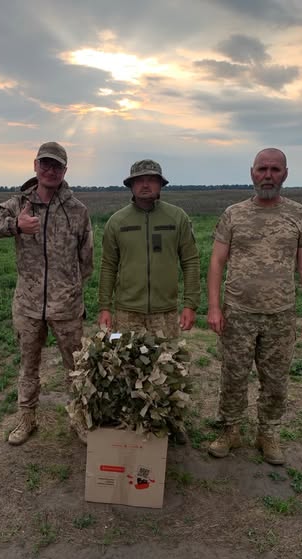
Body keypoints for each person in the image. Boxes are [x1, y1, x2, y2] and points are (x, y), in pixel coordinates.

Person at [0, 142, 94, 445]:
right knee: (28, 366)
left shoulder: (77, 210)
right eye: (45, 164)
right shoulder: (18, 204)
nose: (50, 170)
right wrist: (15, 225)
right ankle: (26, 419)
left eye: (57, 166)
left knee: (76, 368)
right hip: (28, 306)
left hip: (66, 307)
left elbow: (87, 259)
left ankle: (80, 419)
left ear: (65, 170)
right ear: (35, 166)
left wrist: (69, 288)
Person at [207, 148, 302, 465]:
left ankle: (267, 433)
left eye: (274, 169)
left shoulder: (298, 215)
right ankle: (230, 430)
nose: (267, 175)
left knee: (275, 381)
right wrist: (214, 307)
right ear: (252, 173)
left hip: (280, 314)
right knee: (233, 376)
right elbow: (216, 262)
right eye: (262, 169)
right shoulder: (234, 214)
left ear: (285, 174)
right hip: (238, 312)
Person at [98, 159, 201, 441]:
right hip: (126, 312)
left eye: (151, 179)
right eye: (139, 180)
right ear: (131, 185)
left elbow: (190, 261)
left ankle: (172, 421)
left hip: (165, 313)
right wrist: (105, 307)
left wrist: (190, 303)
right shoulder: (117, 221)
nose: (145, 184)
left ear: (160, 185)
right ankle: (132, 422)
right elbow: (108, 266)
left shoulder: (177, 218)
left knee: (168, 368)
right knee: (128, 368)